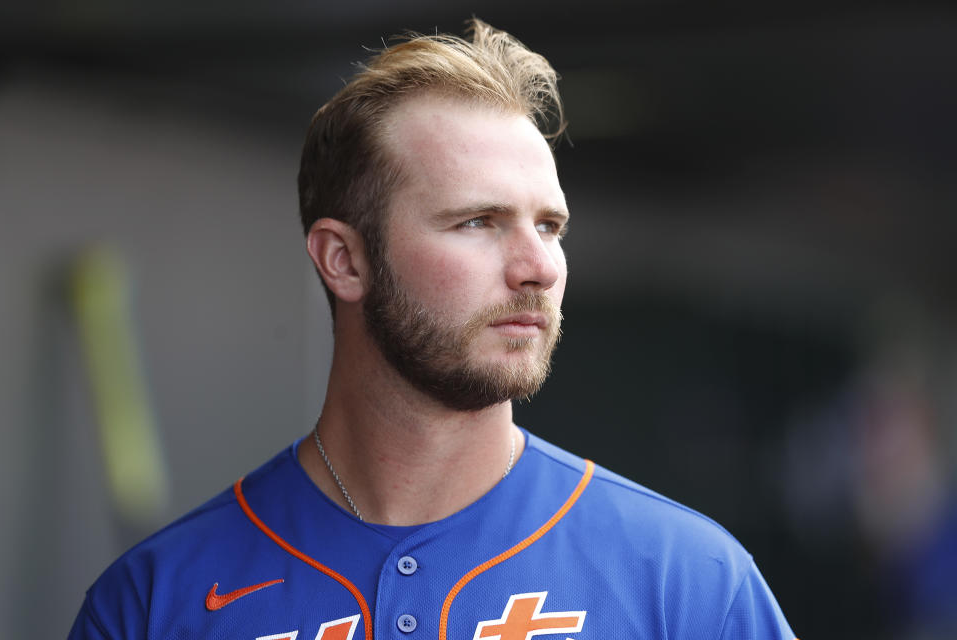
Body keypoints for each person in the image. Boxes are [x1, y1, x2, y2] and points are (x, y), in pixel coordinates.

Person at [70, 19, 796, 640]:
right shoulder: (154, 602)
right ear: (343, 260)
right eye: (478, 222)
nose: (537, 267)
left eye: (550, 226)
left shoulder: (689, 583)